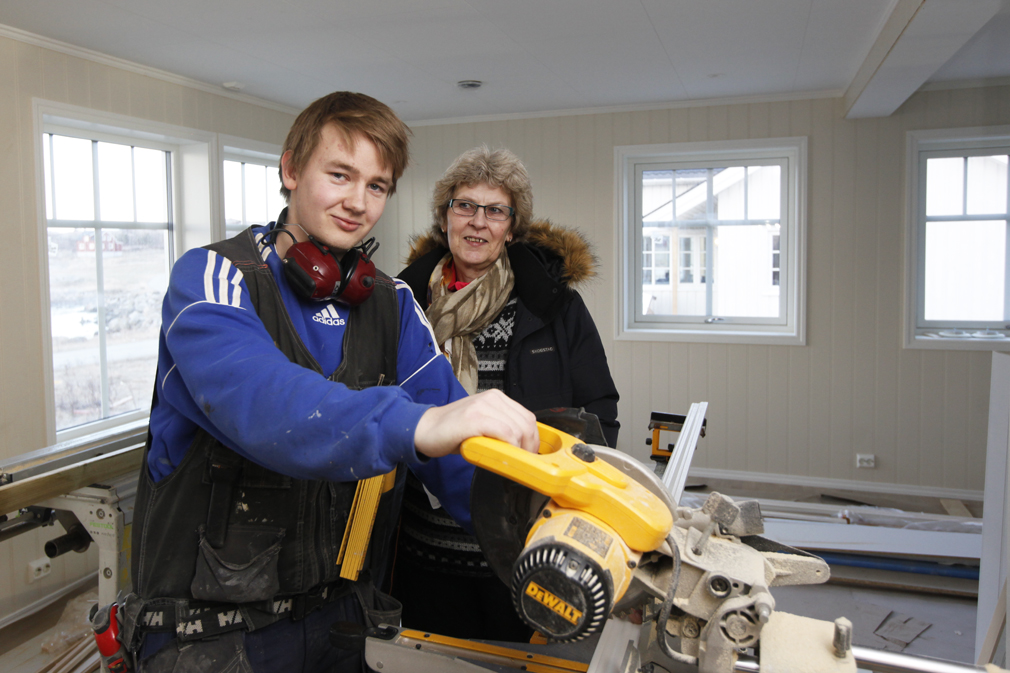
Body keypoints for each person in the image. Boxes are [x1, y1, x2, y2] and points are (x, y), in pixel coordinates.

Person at [121, 94, 539, 673]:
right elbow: (261, 402)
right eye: (339, 175)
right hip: (213, 638)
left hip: (343, 624)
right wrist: (421, 421)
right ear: (291, 169)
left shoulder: (393, 307)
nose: (357, 203)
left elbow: (467, 464)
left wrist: (551, 533)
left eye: (377, 186)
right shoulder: (211, 279)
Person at [393, 146, 619, 641]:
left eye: (495, 210)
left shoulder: (554, 307)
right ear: (444, 216)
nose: (478, 222)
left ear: (512, 227)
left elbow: (599, 412)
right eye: (464, 206)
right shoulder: (402, 302)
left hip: (522, 544)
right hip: (422, 547)